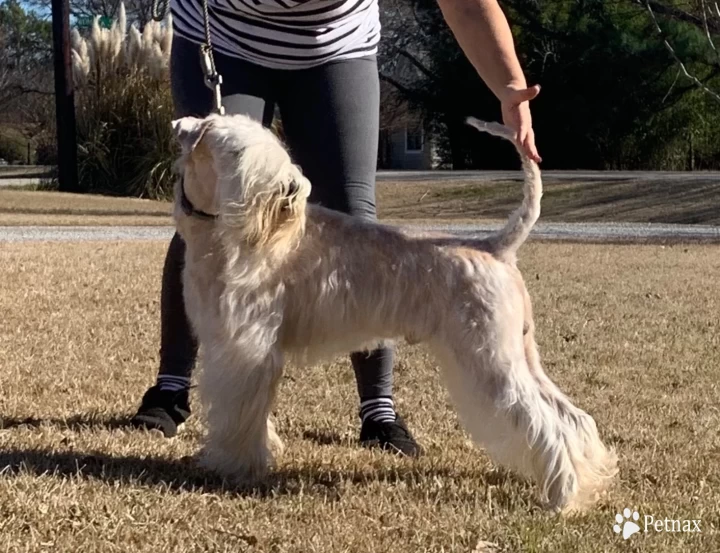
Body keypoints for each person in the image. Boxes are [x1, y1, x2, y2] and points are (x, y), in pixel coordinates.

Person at [130, 0, 541, 455]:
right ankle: (173, 388)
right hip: (223, 30)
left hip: (333, 41)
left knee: (353, 210)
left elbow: (464, 4)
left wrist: (509, 87)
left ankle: (378, 409)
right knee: (207, 208)